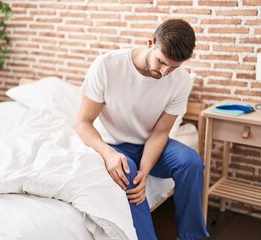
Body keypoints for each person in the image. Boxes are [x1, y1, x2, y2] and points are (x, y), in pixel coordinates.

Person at [76, 19, 209, 240]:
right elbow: (83, 122)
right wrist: (108, 154)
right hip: (113, 144)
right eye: (161, 62)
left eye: (174, 67)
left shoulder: (181, 80)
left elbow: (160, 132)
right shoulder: (107, 66)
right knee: (127, 175)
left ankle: (192, 236)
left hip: (150, 144)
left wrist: (145, 172)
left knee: (191, 163)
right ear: (151, 42)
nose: (165, 72)